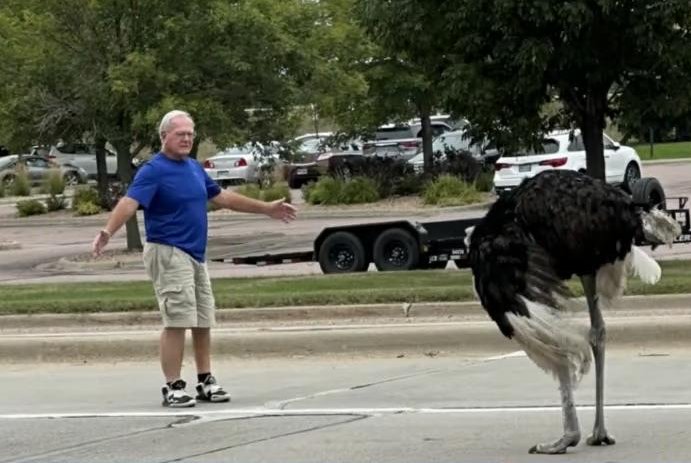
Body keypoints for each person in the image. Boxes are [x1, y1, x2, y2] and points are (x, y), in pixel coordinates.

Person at [92, 110, 297, 407]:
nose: (187, 138)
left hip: (194, 253)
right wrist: (107, 231)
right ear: (164, 137)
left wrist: (266, 208)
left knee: (202, 319)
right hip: (168, 251)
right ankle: (173, 386)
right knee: (177, 319)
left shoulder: (193, 168)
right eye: (180, 134)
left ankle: (205, 380)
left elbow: (223, 197)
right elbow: (129, 202)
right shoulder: (153, 170)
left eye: (190, 133)